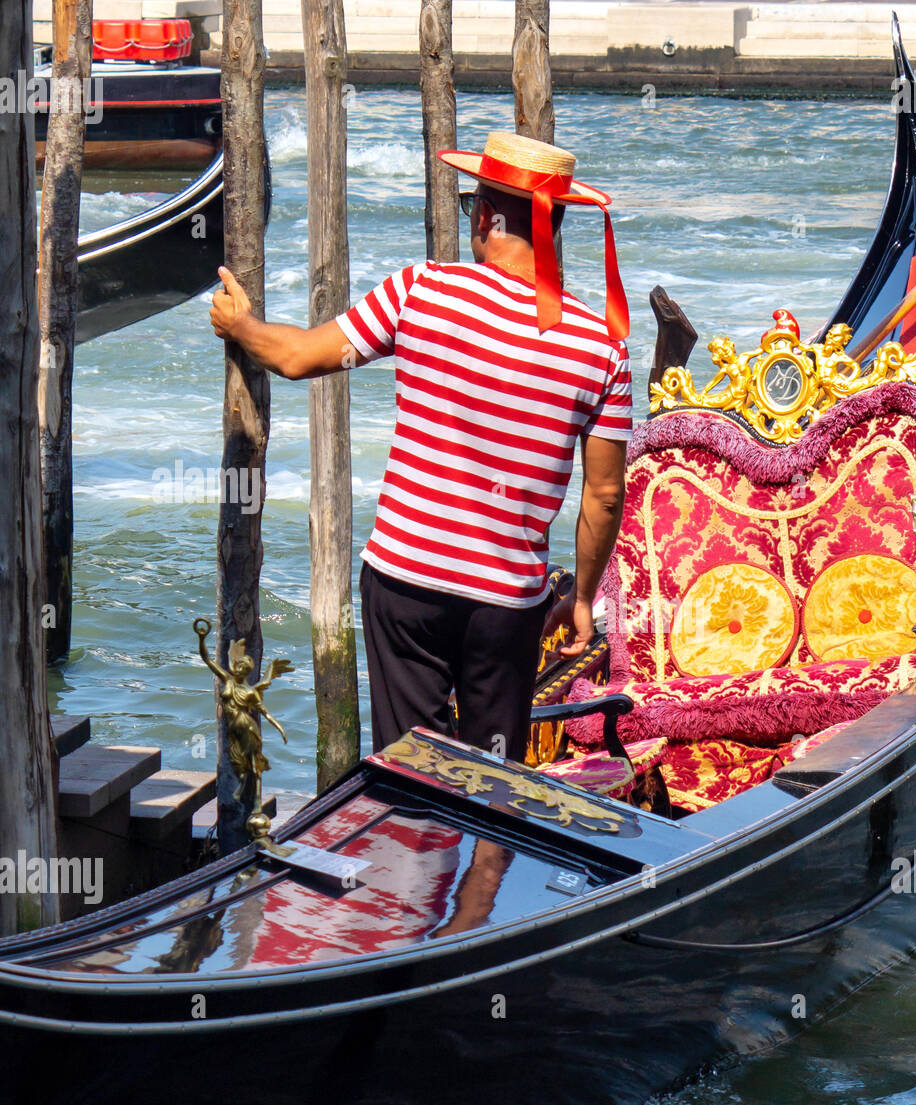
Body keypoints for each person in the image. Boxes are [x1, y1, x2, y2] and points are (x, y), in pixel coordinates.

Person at [208, 131, 633, 761]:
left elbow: (298, 358)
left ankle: (415, 853)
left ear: (487, 217)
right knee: (492, 779)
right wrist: (581, 600)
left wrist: (241, 325)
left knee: (413, 777)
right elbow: (603, 494)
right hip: (506, 602)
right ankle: (488, 861)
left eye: (471, 210)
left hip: (406, 580)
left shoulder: (422, 292)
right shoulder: (602, 345)